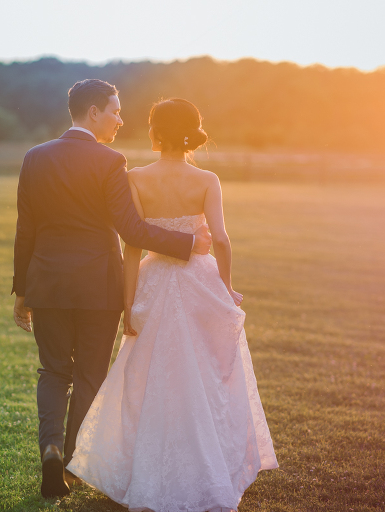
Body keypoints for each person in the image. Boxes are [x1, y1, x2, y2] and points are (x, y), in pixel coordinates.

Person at [66, 98, 278, 512]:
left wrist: (129, 303)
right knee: (204, 377)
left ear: (154, 134)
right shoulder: (207, 179)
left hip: (154, 282)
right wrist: (228, 286)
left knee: (149, 380)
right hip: (200, 283)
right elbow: (220, 239)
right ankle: (207, 465)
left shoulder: (135, 178)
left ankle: (146, 471)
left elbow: (132, 246)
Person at [11, 80, 213, 499]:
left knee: (52, 371)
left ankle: (49, 449)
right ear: (93, 113)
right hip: (98, 287)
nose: (121, 119)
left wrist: (21, 291)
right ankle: (70, 464)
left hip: (46, 283)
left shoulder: (34, 158)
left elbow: (24, 231)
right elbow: (132, 230)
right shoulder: (110, 162)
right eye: (116, 112)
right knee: (89, 376)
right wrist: (188, 242)